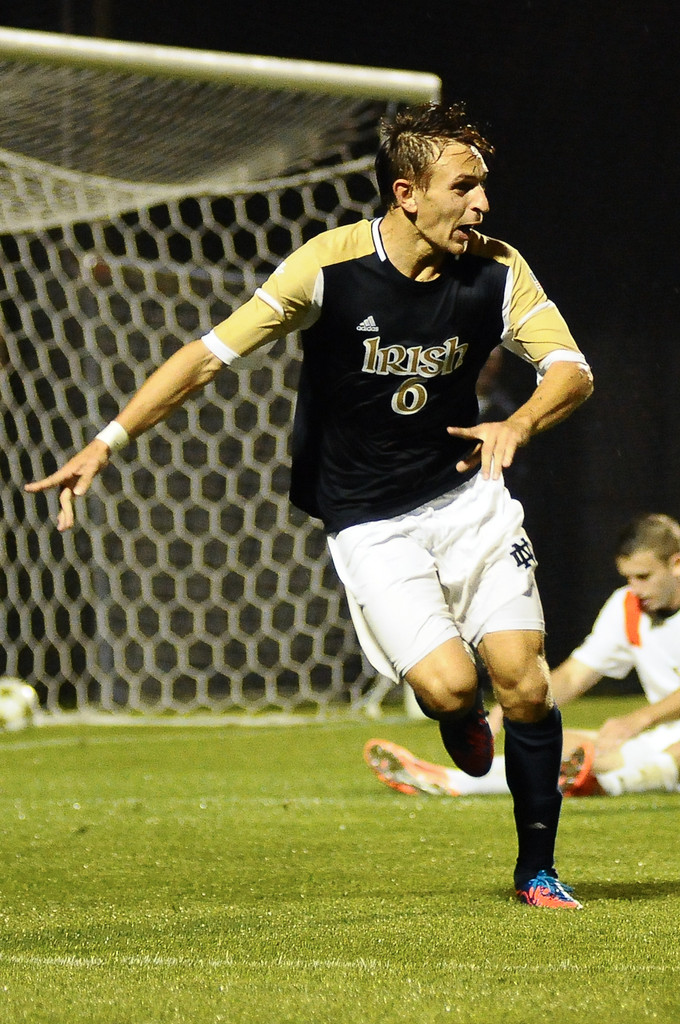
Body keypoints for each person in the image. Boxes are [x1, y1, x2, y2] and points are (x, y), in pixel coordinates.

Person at [25, 103, 593, 909]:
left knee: (525, 684)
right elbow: (205, 357)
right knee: (447, 688)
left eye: (484, 188)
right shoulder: (328, 267)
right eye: (464, 188)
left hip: (469, 500)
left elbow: (573, 367)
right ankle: (457, 714)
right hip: (368, 519)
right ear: (406, 193)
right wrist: (104, 442)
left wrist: (521, 420)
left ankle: (537, 867)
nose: (482, 205)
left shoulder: (499, 270)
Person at [365, 513, 680, 802]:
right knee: (562, 746)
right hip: (663, 736)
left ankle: (609, 784)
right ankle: (449, 780)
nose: (634, 588)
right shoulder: (626, 606)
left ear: (677, 564)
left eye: (644, 576)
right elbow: (573, 676)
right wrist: (507, 710)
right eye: (628, 578)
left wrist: (639, 719)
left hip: (661, 733)